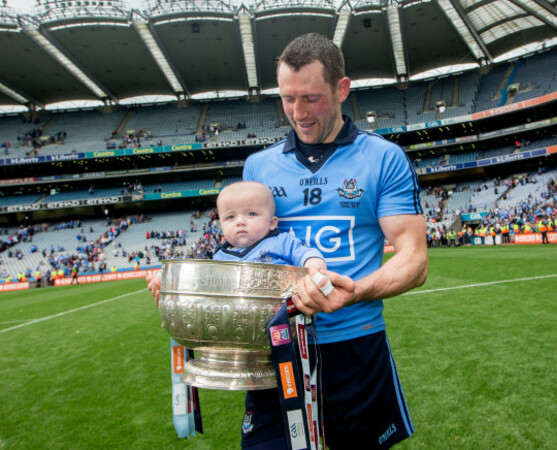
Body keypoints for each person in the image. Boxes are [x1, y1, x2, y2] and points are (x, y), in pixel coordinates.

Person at [148, 32, 427, 449]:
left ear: (341, 89)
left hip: (353, 346)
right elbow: (239, 260)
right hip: (273, 350)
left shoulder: (382, 158)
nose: (298, 112)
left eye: (311, 98)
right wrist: (184, 288)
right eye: (288, 98)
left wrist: (356, 292)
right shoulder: (258, 166)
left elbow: (414, 259)